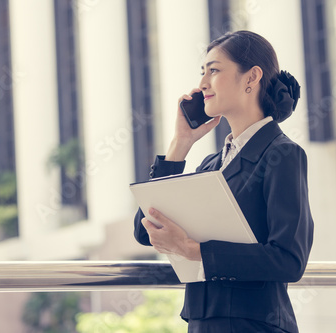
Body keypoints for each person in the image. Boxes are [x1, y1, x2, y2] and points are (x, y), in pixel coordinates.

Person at [133, 30, 314, 333]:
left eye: (214, 70)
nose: (202, 83)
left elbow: (289, 259)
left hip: (254, 325)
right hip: (204, 323)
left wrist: (194, 251)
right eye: (202, 72)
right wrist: (181, 143)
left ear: (251, 78)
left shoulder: (283, 154)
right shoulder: (212, 165)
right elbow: (144, 229)